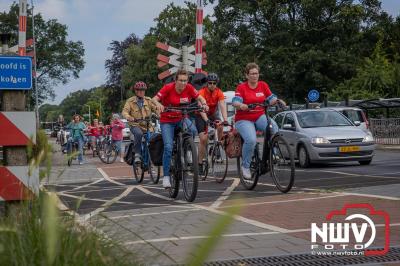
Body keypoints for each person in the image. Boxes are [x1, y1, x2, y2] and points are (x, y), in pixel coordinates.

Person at [152, 69, 209, 188]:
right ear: (175, 80)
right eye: (181, 80)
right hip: (167, 121)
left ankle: (186, 149)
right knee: (168, 147)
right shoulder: (168, 88)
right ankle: (166, 176)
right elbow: (154, 99)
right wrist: (158, 104)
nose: (183, 83)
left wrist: (204, 104)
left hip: (181, 118)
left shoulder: (189, 88)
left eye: (185, 80)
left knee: (193, 130)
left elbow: (200, 98)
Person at [232, 63, 285, 179]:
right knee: (251, 140)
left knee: (274, 128)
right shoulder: (242, 88)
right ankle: (245, 166)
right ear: (247, 75)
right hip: (244, 119)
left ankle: (273, 154)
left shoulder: (263, 85)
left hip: (259, 116)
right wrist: (241, 105)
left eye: (256, 73)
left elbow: (271, 97)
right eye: (252, 74)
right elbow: (235, 101)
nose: (255, 76)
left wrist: (278, 101)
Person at [195, 73, 228, 174]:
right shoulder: (201, 92)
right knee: (203, 139)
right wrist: (206, 120)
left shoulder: (219, 92)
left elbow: (222, 106)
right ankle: (200, 163)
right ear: (207, 83)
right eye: (210, 83)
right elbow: (201, 108)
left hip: (212, 114)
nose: (212, 85)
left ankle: (218, 143)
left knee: (220, 126)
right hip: (201, 115)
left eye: (214, 83)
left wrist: (225, 119)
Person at [122, 81, 159, 165]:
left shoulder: (149, 100)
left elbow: (156, 109)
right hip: (135, 125)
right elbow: (125, 112)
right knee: (138, 134)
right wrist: (128, 117)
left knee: (155, 138)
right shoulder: (130, 101)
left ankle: (152, 158)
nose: (141, 92)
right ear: (135, 91)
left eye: (142, 90)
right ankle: (137, 154)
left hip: (147, 125)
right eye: (138, 90)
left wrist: (159, 114)